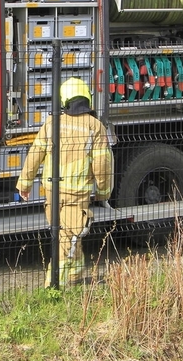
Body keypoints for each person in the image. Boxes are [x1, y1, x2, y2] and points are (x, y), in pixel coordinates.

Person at [17, 77, 113, 287]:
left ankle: (75, 277)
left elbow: (35, 154)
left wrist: (24, 184)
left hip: (52, 191)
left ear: (65, 100)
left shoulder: (52, 123)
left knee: (67, 235)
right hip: (77, 194)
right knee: (67, 238)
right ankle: (53, 286)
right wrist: (104, 192)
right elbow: (102, 165)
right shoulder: (95, 126)